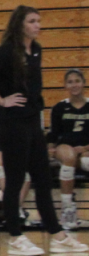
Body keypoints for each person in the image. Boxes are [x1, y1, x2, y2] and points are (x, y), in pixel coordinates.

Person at [0, 5, 86, 256]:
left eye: (39, 21)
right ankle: (15, 236)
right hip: (11, 123)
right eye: (33, 21)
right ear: (20, 25)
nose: (38, 25)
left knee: (43, 179)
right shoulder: (7, 51)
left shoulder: (36, 50)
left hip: (33, 121)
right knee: (15, 180)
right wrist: (0, 100)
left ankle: (56, 234)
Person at [48, 68, 89, 230]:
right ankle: (67, 208)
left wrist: (85, 148)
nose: (74, 85)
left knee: (84, 160)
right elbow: (53, 135)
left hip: (85, 150)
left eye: (77, 81)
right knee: (69, 155)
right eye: (70, 82)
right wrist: (50, 149)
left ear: (84, 83)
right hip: (64, 149)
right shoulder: (59, 108)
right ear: (65, 85)